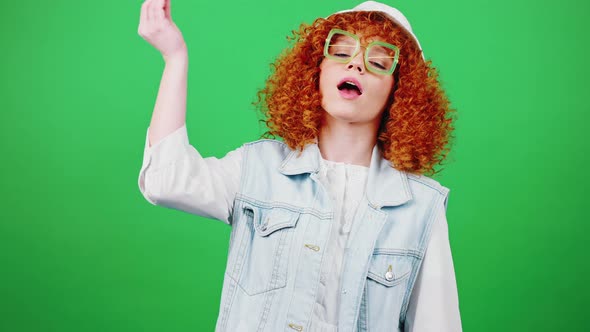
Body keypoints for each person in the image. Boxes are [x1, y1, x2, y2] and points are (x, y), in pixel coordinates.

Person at [137, 0, 462, 331]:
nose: (356, 65)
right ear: (315, 70)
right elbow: (167, 180)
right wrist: (174, 58)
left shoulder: (421, 207)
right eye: (341, 51)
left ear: (400, 90)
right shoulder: (258, 168)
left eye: (378, 61)